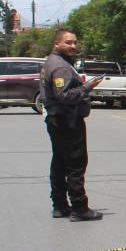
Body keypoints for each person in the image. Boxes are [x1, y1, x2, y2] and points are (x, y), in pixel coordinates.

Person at [42, 28, 104, 221]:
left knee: (60, 162)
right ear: (57, 44)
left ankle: (60, 205)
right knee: (76, 163)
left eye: (75, 42)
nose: (73, 46)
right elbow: (64, 96)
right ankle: (79, 207)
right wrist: (87, 87)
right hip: (67, 120)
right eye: (68, 43)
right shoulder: (60, 66)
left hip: (58, 119)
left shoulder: (56, 62)